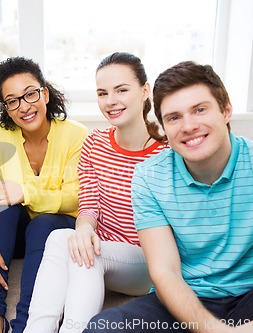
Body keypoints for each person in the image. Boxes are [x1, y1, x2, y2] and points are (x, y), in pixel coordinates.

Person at [84, 61, 253, 333]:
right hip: (188, 297)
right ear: (163, 126)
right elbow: (165, 272)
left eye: (199, 110)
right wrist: (217, 331)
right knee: (104, 327)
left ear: (226, 110)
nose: (188, 126)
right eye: (174, 117)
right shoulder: (149, 176)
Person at [24, 52, 166, 333]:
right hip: (103, 249)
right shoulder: (95, 143)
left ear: (145, 90)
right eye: (102, 93)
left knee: (89, 254)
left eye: (121, 90)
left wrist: (88, 241)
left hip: (145, 262)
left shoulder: (166, 152)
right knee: (61, 237)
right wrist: (84, 228)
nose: (110, 101)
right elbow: (89, 203)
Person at [0, 56, 88, 333]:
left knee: (44, 221)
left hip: (59, 232)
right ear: (6, 108)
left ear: (44, 93)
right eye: (13, 100)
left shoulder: (76, 135)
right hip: (20, 235)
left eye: (30, 94)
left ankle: (24, 324)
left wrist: (25, 192)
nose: (24, 106)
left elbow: (76, 197)